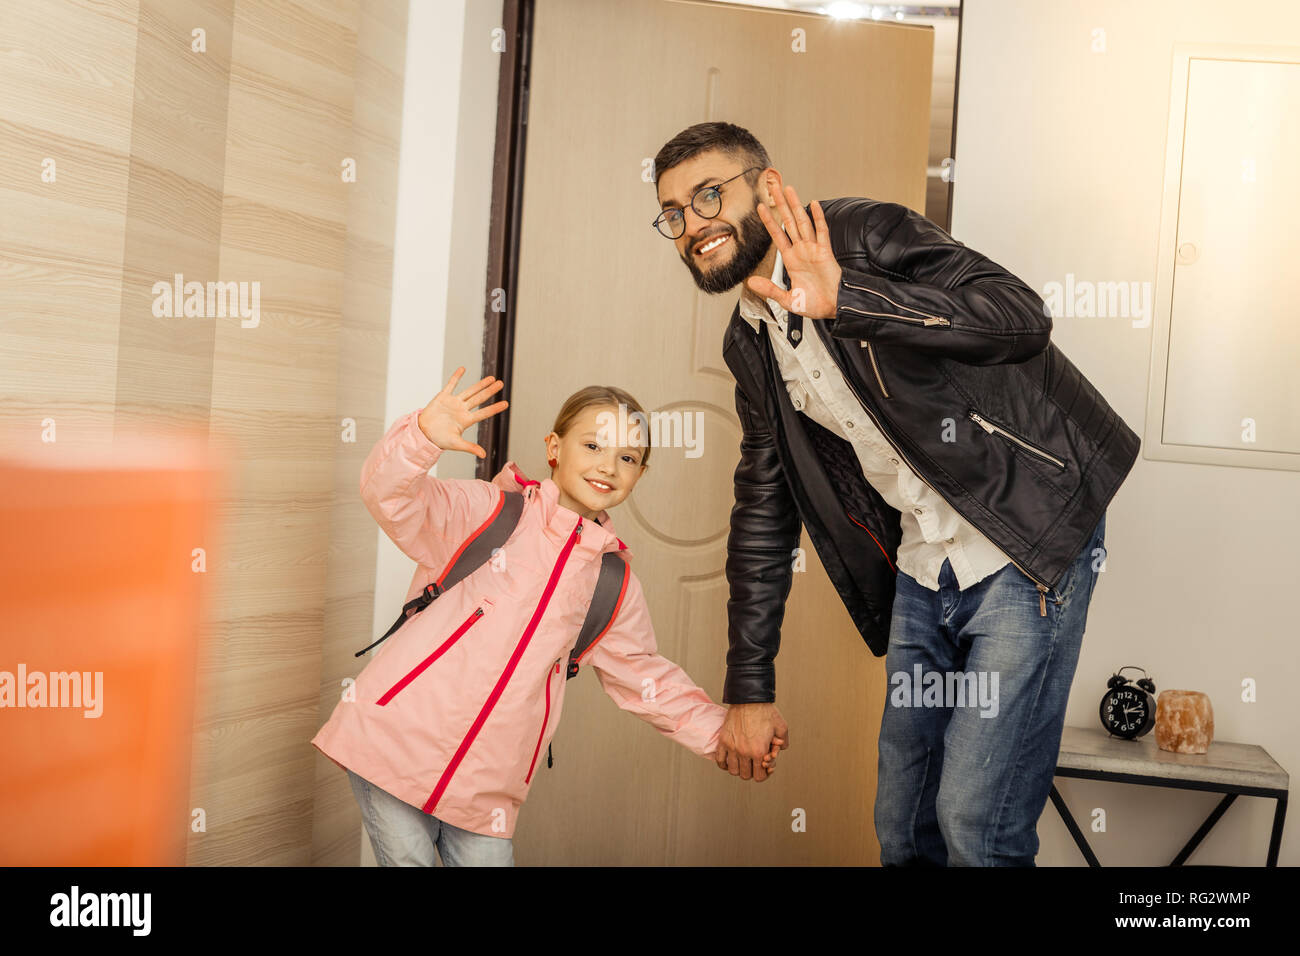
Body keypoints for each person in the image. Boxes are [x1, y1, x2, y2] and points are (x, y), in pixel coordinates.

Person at [650, 121, 1138, 865]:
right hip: (923, 567)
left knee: (977, 822)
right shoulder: (747, 341)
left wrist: (854, 298)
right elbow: (763, 509)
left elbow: (1019, 316)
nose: (693, 224)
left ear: (768, 188)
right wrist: (749, 688)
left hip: (1020, 537)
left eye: (709, 194)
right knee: (903, 826)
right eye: (675, 213)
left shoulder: (864, 234)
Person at [312, 367, 778, 866]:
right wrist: (422, 435)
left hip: (487, 790)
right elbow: (389, 496)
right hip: (391, 745)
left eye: (628, 457)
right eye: (593, 446)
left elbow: (646, 678)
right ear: (554, 448)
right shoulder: (485, 514)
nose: (609, 466)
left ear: (640, 474)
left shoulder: (612, 583)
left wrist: (724, 732)